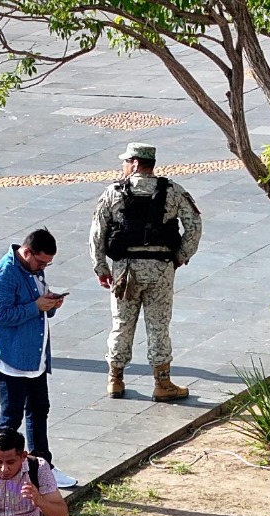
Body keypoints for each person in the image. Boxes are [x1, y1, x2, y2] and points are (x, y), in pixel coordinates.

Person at [93, 141, 202, 402]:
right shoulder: (173, 191)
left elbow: (98, 232)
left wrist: (101, 267)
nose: (123, 166)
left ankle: (115, 380)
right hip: (160, 269)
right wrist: (180, 256)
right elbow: (194, 225)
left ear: (135, 163)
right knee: (159, 326)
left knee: (121, 325)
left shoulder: (113, 192)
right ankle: (162, 383)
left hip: (125, 271)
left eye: (125, 161)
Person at [0, 229, 63, 463]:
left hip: (34, 357)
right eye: (41, 262)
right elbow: (0, 316)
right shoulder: (4, 273)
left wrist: (50, 303)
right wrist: (36, 306)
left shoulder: (34, 270)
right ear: (27, 252)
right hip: (11, 357)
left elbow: (39, 305)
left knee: (39, 409)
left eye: (47, 264)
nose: (43, 267)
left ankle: (42, 465)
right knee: (11, 416)